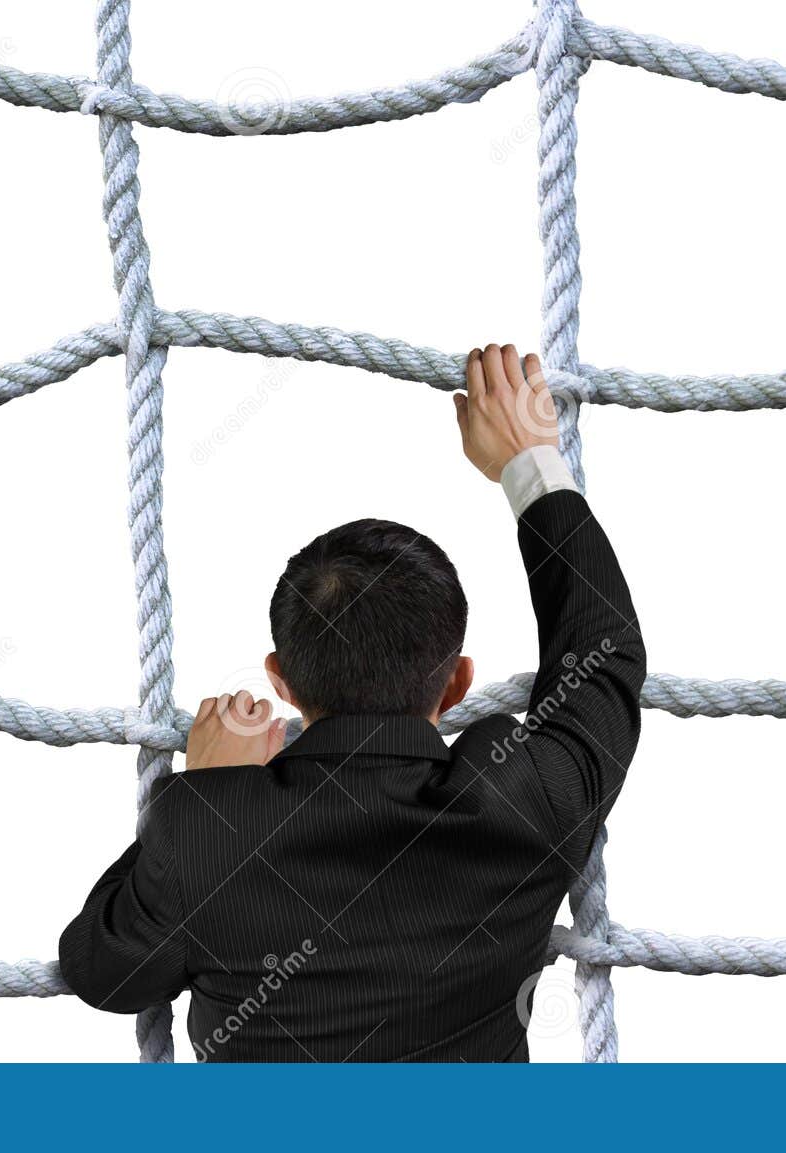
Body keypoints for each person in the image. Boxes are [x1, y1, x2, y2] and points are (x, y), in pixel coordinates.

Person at [59, 343, 645, 1060]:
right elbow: (605, 656)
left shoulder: (207, 830)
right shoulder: (519, 799)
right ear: (458, 681)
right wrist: (530, 465)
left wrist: (207, 789)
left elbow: (101, 971)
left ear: (280, 678)